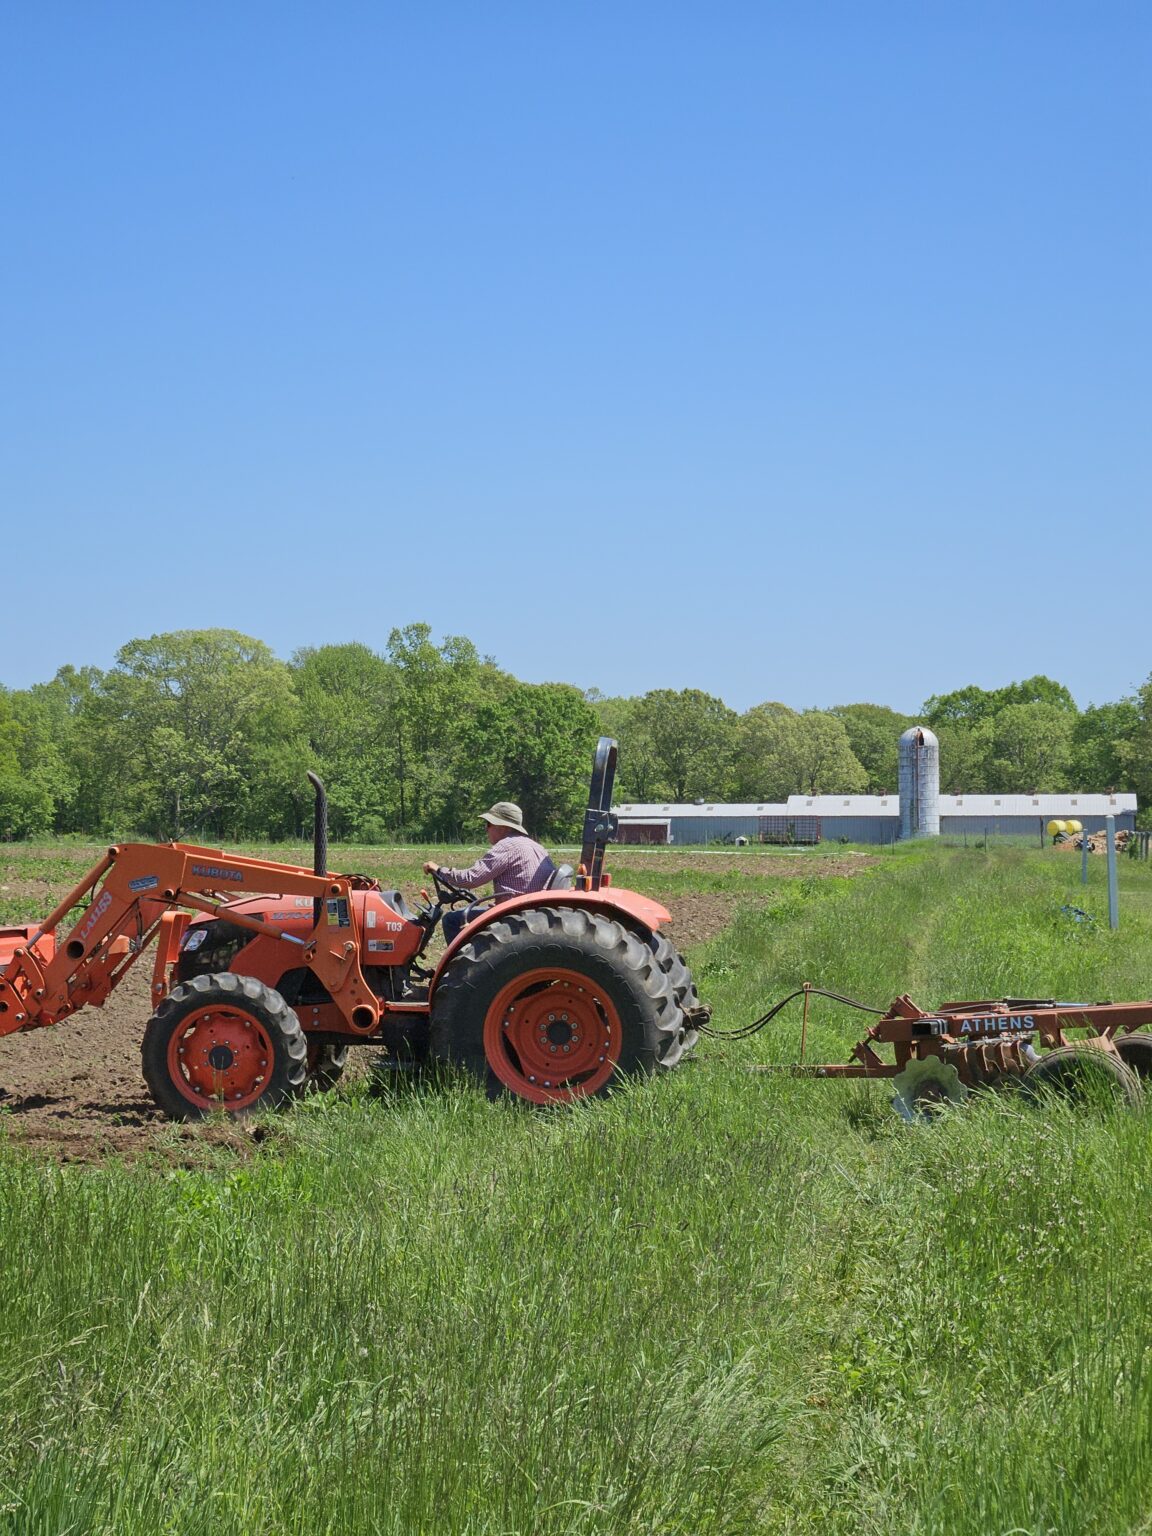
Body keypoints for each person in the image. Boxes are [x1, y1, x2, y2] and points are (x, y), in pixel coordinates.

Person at [424, 801, 557, 943]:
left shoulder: (507, 846)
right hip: (530, 910)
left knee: (452, 920)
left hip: (513, 914)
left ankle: (460, 965)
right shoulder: (536, 846)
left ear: (502, 826)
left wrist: (439, 870)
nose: (486, 829)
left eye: (488, 824)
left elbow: (471, 879)